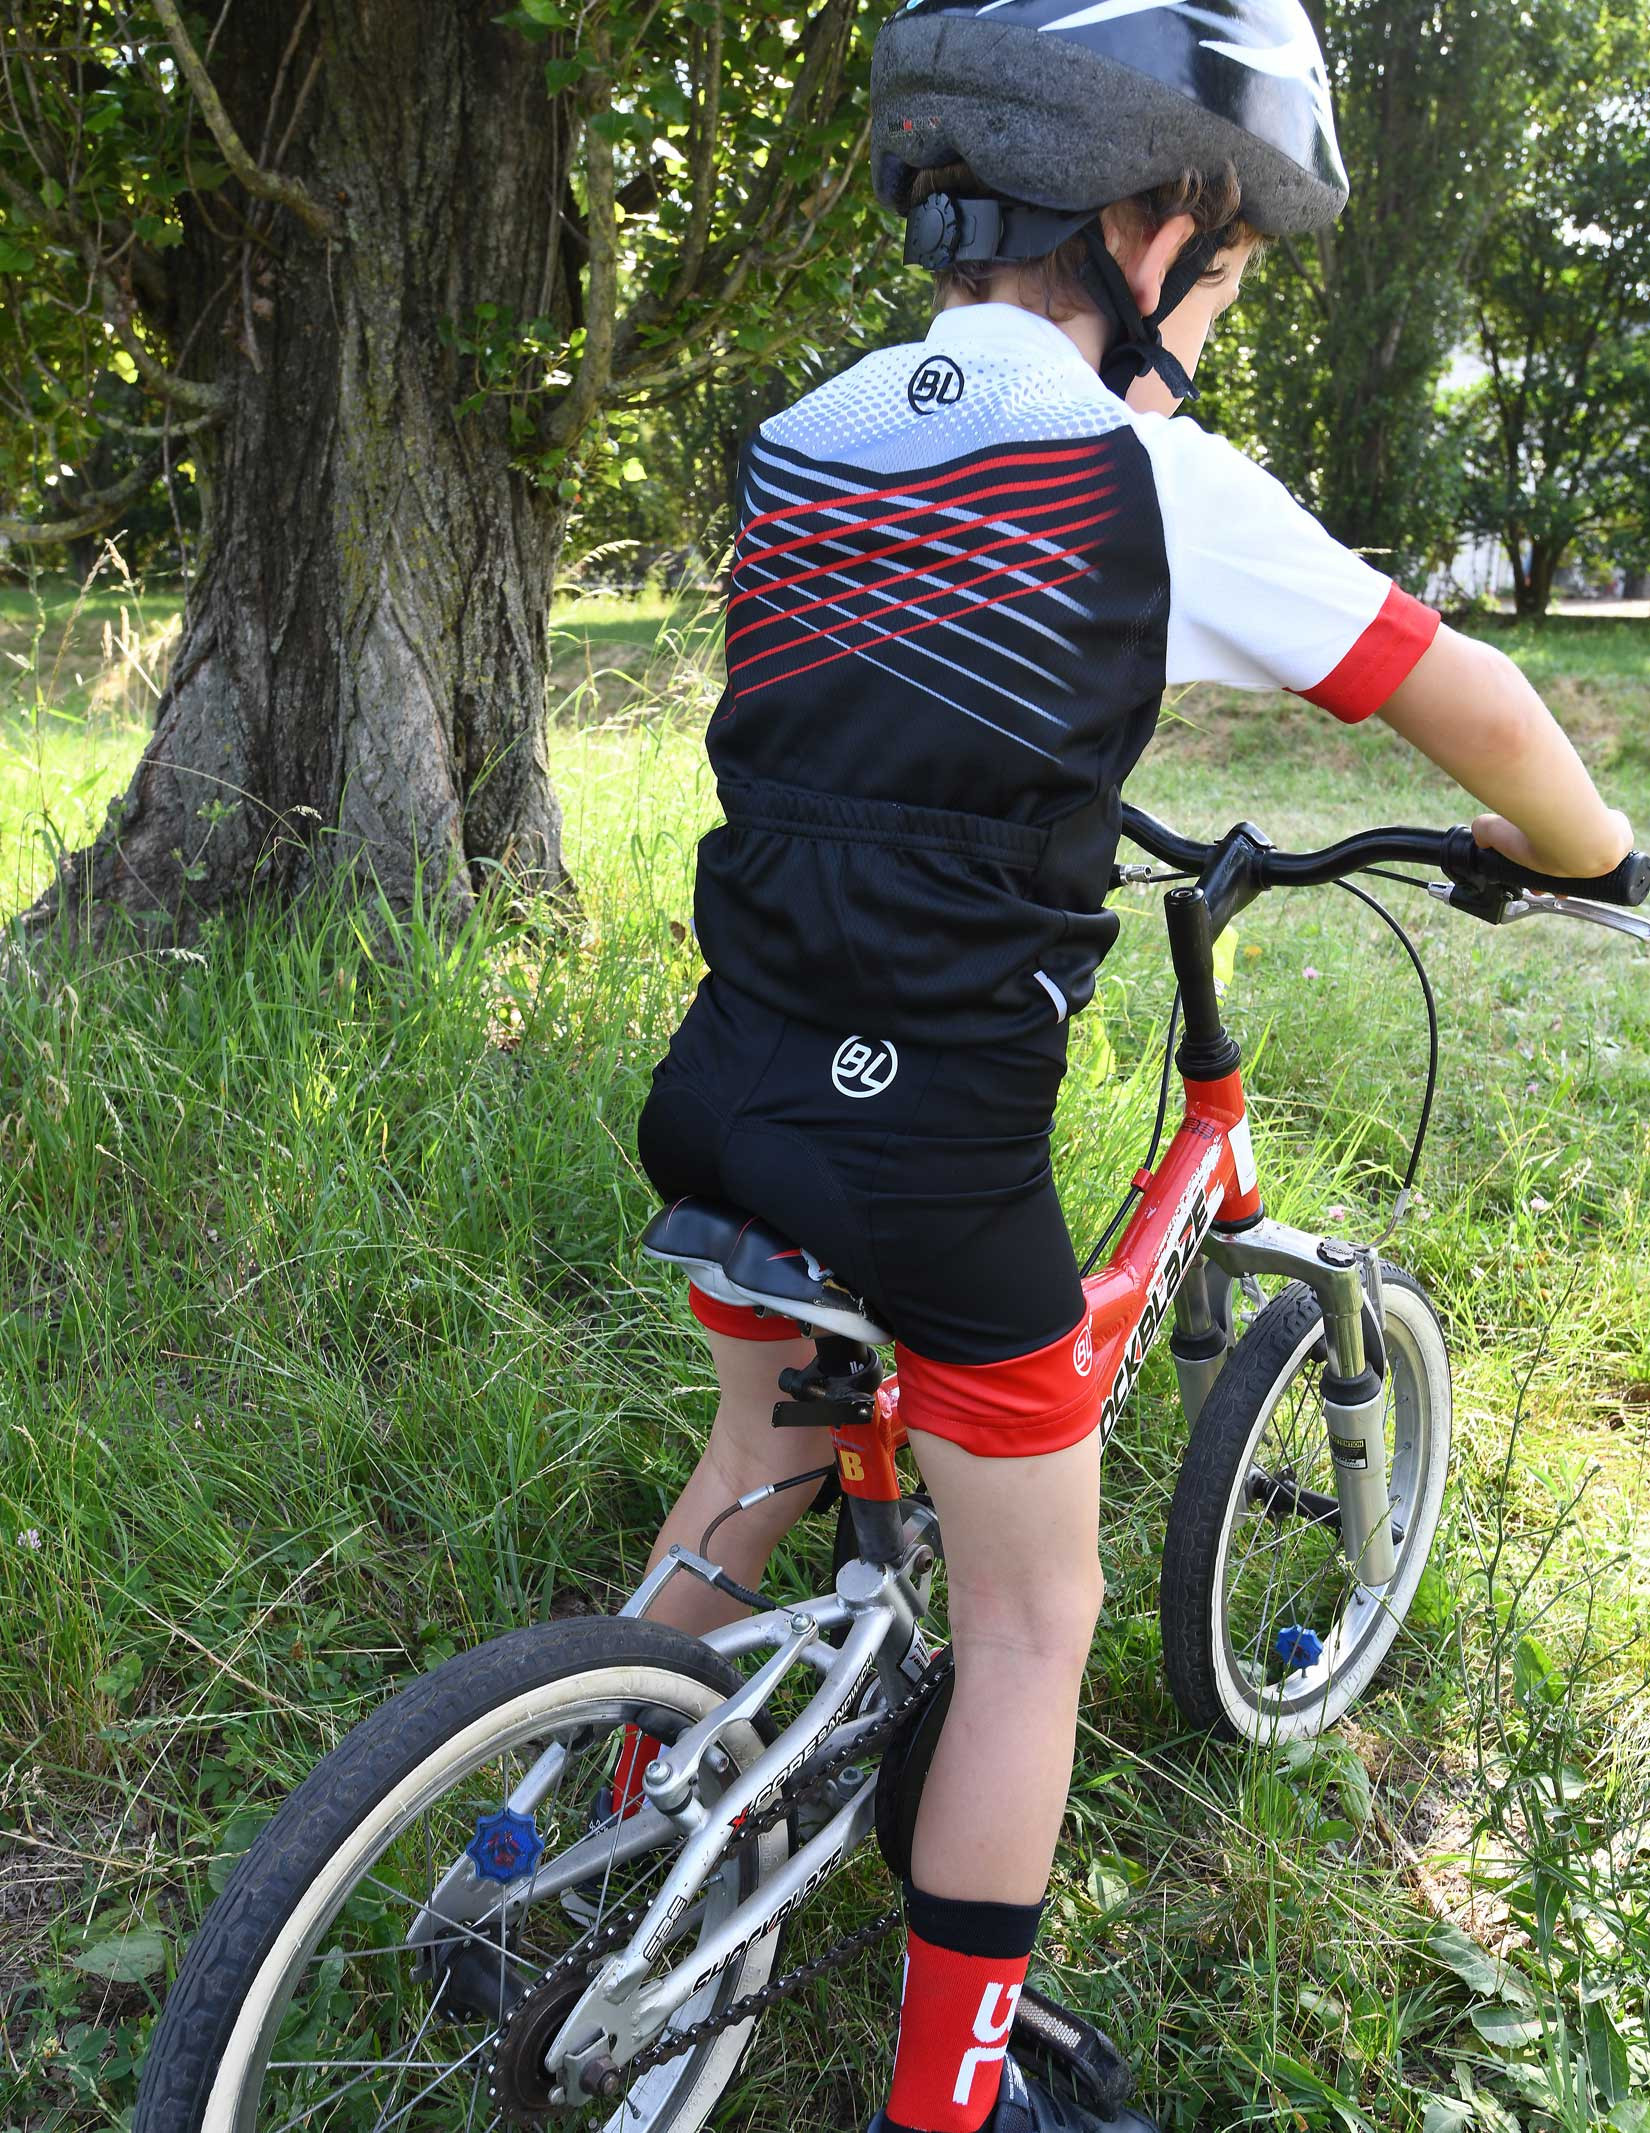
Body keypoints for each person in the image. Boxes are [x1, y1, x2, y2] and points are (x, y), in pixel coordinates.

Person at [629, 4, 1637, 2129]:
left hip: (728, 1083)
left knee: (748, 1470)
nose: (1220, 309)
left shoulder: (807, 435)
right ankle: (947, 2097)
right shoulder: (1143, 475)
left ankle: (604, 1822)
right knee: (1036, 1618)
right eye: (1230, 268)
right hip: (928, 1152)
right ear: (1154, 222)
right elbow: (1466, 696)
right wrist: (1590, 852)